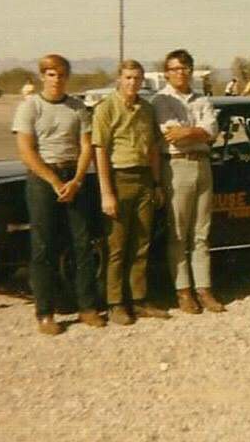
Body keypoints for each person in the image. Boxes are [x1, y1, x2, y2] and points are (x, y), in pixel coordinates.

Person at [12, 54, 103, 335]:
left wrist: (76, 180)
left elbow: (86, 145)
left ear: (67, 77)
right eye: (50, 74)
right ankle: (45, 313)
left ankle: (88, 307)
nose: (56, 79)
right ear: (42, 76)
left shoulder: (77, 107)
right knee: (44, 247)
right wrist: (53, 181)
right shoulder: (30, 107)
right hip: (43, 179)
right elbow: (26, 150)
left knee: (83, 243)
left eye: (61, 74)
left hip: (74, 178)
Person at [92, 59, 170, 324]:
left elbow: (153, 150)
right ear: (119, 79)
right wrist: (107, 192)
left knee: (141, 243)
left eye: (137, 78)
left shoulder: (146, 109)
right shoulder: (106, 108)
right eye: (127, 78)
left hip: (144, 179)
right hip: (118, 178)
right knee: (116, 246)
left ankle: (138, 299)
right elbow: (100, 151)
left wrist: (157, 183)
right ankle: (115, 303)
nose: (132, 83)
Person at [152, 49, 225, 314]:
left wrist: (191, 131)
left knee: (201, 232)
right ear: (166, 73)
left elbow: (212, 132)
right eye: (174, 69)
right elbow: (172, 135)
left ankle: (204, 289)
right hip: (176, 165)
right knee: (179, 233)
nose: (180, 73)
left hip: (203, 165)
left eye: (184, 68)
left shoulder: (202, 99)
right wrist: (197, 132)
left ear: (191, 71)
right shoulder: (160, 100)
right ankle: (183, 291)